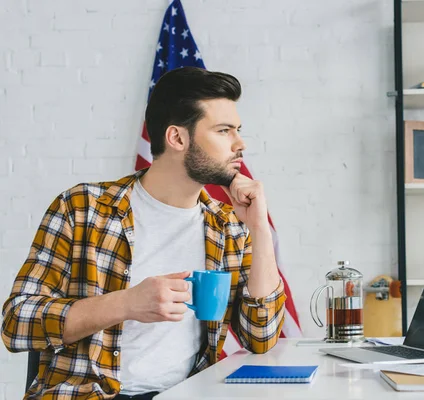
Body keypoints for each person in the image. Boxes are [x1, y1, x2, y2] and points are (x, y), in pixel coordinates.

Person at [2, 67, 286, 399]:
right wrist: (125, 303)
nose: (241, 144)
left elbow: (261, 337)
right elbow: (16, 323)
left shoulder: (227, 227)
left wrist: (259, 228)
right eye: (224, 131)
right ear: (177, 138)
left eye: (237, 130)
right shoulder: (82, 208)